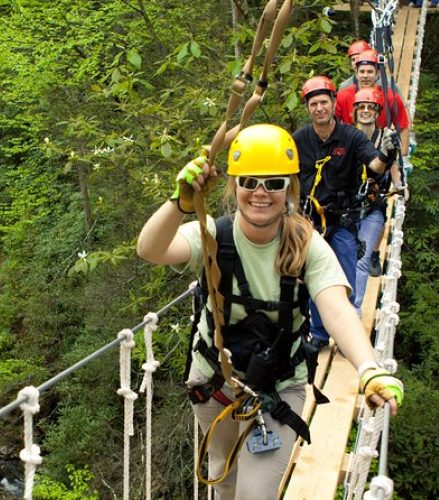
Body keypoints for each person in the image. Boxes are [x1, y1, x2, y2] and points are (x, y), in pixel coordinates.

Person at [136, 123, 403, 500]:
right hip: (215, 381)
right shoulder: (212, 234)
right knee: (222, 477)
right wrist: (180, 204)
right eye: (249, 182)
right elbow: (149, 249)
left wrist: (368, 368)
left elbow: (337, 310)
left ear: (290, 189)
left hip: (280, 385)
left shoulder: (306, 245)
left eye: (274, 183)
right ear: (234, 186)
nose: (261, 193)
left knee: (254, 494)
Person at [293, 75, 398, 349]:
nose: (319, 108)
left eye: (323, 102)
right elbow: (285, 174)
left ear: (333, 104)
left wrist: (386, 155)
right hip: (312, 222)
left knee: (346, 280)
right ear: (308, 108)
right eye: (313, 104)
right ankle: (318, 334)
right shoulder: (300, 140)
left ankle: (346, 335)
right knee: (316, 279)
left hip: (342, 220)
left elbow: (374, 166)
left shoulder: (350, 137)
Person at [351, 88, 403, 313]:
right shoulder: (347, 136)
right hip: (348, 207)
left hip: (374, 206)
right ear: (355, 111)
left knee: (361, 258)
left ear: (377, 111)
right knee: (344, 258)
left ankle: (355, 309)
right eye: (361, 107)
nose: (365, 111)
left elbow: (393, 167)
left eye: (370, 107)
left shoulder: (386, 137)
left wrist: (400, 185)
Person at [335, 49, 410, 163]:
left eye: (369, 72)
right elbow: (333, 124)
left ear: (378, 73)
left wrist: (401, 157)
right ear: (356, 72)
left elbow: (403, 126)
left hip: (380, 148)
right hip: (351, 149)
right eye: (362, 72)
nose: (365, 76)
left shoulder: (390, 97)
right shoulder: (344, 95)